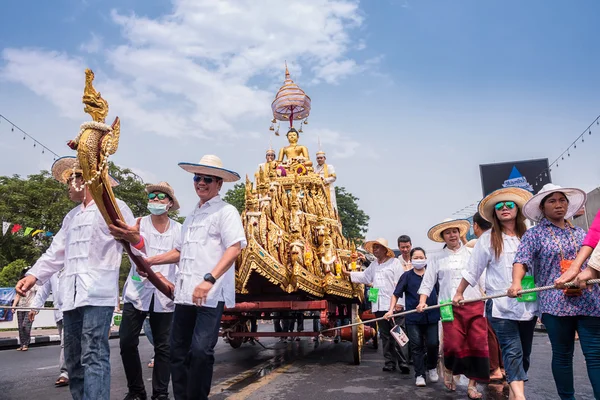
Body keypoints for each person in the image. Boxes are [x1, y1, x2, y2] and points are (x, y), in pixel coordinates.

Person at [15, 156, 137, 400]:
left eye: (71, 180)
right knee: (72, 359)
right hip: (70, 297)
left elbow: (134, 245)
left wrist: (144, 269)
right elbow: (56, 252)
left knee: (93, 353)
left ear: (85, 180)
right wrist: (33, 275)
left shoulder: (115, 206)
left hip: (97, 294)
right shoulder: (70, 217)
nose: (68, 186)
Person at [130, 155, 246, 400]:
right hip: (184, 296)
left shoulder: (226, 211)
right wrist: (150, 261)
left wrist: (209, 280)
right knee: (177, 351)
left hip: (210, 296)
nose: (200, 183)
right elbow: (180, 252)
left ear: (218, 184)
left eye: (206, 179)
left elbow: (234, 247)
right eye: (197, 178)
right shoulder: (192, 216)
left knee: (201, 352)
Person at [510, 184, 600, 399]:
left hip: (588, 298)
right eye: (552, 201)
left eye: (562, 200)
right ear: (542, 207)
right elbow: (521, 261)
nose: (558, 205)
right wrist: (516, 283)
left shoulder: (581, 233)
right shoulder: (533, 235)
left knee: (596, 355)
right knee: (562, 355)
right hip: (554, 302)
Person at [454, 188, 536, 400]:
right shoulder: (488, 239)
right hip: (499, 304)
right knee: (512, 349)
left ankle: (514, 388)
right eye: (500, 206)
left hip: (527, 303)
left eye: (509, 204)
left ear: (518, 209)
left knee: (524, 352)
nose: (505, 208)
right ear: (495, 213)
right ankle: (519, 396)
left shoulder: (529, 236)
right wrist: (459, 292)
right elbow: (473, 268)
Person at [118, 182, 182, 400]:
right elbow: (133, 251)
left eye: (160, 196)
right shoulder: (138, 224)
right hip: (137, 291)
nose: (155, 199)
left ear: (170, 203)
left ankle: (160, 394)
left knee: (164, 348)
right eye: (152, 196)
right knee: (127, 342)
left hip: (166, 295)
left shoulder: (179, 229)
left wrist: (161, 273)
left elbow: (181, 254)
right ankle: (136, 391)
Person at [417, 218, 489, 399]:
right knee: (453, 345)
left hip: (474, 304)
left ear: (460, 233)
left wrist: (486, 293)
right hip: (448, 306)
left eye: (454, 231)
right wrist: (422, 301)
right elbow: (428, 282)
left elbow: (482, 276)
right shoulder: (436, 258)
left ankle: (473, 385)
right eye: (447, 232)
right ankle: (449, 368)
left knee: (477, 345)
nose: (452, 235)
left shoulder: (473, 253)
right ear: (443, 237)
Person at [343, 238, 409, 374]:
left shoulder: (395, 263)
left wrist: (400, 303)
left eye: (378, 247)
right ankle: (389, 362)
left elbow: (401, 284)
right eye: (374, 248)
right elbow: (365, 277)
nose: (375, 250)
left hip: (394, 305)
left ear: (385, 250)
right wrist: (348, 274)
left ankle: (403, 362)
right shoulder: (374, 265)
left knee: (399, 334)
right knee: (385, 336)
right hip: (379, 306)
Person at [384, 247, 439, 387]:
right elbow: (396, 294)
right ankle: (419, 374)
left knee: (433, 343)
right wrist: (391, 310)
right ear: (411, 259)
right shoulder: (406, 276)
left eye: (421, 257)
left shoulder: (432, 274)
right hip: (413, 318)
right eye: (416, 258)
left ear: (426, 258)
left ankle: (432, 367)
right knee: (416, 346)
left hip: (432, 316)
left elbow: (440, 291)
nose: (419, 260)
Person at [469, 211, 505, 383]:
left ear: (475, 226)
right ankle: (504, 367)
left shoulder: (482, 242)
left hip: (489, 295)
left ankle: (495, 369)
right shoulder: (503, 237)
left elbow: (477, 272)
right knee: (504, 334)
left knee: (490, 334)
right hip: (507, 293)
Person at [29, 270, 69, 387]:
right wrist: (35, 308)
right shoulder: (53, 269)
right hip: (59, 312)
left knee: (66, 343)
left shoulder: (76, 261)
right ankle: (72, 370)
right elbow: (44, 290)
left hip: (75, 311)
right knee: (67, 343)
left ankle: (66, 372)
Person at [12, 268, 36, 352]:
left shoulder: (35, 283)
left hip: (30, 307)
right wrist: (14, 306)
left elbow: (39, 294)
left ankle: (26, 343)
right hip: (20, 307)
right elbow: (17, 296)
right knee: (20, 327)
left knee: (25, 325)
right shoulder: (21, 283)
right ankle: (22, 344)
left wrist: (35, 308)